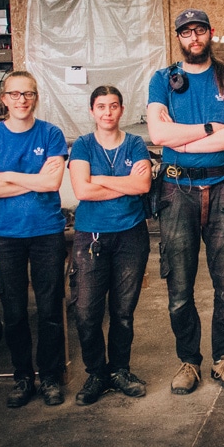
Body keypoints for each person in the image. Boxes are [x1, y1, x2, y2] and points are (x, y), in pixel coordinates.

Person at [147, 8, 224, 395]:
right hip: (177, 192)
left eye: (200, 30)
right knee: (179, 288)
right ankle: (189, 361)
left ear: (211, 33)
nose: (194, 38)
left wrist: (182, 140)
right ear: (178, 38)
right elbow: (158, 134)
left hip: (222, 189)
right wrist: (209, 128)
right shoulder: (162, 79)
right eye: (186, 32)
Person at [0, 71, 68, 408]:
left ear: (35, 98)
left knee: (49, 309)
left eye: (28, 94)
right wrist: (35, 178)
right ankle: (22, 377)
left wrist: (10, 175)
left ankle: (50, 377)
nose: (21, 100)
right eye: (14, 94)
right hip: (6, 234)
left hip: (46, 232)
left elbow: (52, 184)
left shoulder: (51, 133)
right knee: (14, 311)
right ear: (4, 99)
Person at [68, 85, 152, 406]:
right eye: (101, 106)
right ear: (92, 111)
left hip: (131, 235)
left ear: (121, 110)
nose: (107, 112)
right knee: (87, 310)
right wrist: (125, 184)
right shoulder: (83, 146)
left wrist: (99, 179)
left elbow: (142, 185)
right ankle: (96, 373)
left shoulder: (134, 143)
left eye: (113, 106)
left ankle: (119, 370)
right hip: (91, 236)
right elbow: (82, 191)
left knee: (123, 311)